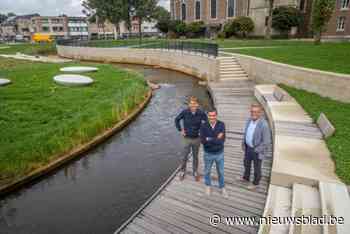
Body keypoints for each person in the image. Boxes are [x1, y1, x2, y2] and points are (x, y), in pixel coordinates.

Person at [175, 96, 207, 181]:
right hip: (187, 139)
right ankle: (182, 171)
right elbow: (176, 120)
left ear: (197, 104)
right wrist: (180, 130)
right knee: (184, 156)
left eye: (194, 103)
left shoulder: (201, 113)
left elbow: (207, 122)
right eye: (191, 103)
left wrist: (202, 130)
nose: (193, 105)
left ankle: (195, 171)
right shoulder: (185, 112)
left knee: (195, 156)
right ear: (189, 104)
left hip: (197, 139)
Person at [239, 104, 271, 190]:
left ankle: (256, 183)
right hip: (248, 147)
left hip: (256, 150)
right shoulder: (249, 120)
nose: (254, 113)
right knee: (246, 163)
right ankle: (246, 178)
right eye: (252, 111)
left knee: (257, 168)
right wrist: (244, 142)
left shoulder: (264, 125)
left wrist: (257, 150)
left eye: (256, 112)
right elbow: (246, 132)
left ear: (260, 113)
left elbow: (267, 142)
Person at [200, 108, 228, 197]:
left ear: (216, 115)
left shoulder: (222, 125)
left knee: (221, 172)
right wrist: (216, 138)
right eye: (210, 116)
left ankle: (222, 187)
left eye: (214, 115)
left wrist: (209, 139)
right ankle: (208, 186)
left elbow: (222, 141)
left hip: (219, 153)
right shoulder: (203, 126)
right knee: (207, 171)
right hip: (208, 154)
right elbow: (203, 141)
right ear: (207, 116)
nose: (212, 117)